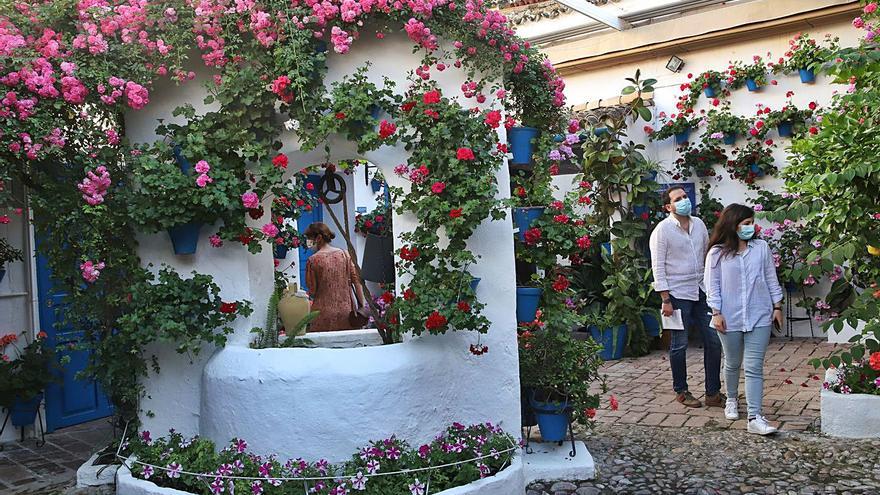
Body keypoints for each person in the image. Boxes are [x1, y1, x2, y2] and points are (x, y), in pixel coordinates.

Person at [705, 204, 783, 435]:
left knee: (754, 367)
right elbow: (712, 285)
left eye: (752, 223)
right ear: (733, 225)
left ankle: (755, 416)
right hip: (729, 318)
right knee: (732, 362)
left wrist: (777, 306)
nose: (752, 227)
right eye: (746, 223)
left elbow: (771, 277)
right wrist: (716, 312)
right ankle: (730, 398)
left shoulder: (761, 248)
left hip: (759, 315)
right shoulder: (717, 253)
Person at [649, 186, 724, 408]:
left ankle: (713, 393)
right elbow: (658, 267)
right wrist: (665, 299)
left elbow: (707, 257)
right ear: (668, 207)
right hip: (676, 293)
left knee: (713, 339)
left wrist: (714, 287)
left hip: (701, 289)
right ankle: (681, 390)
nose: (684, 201)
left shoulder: (698, 224)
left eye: (685, 197)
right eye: (678, 199)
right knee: (679, 344)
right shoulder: (662, 231)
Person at [304, 222, 366, 332]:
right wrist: (362, 306)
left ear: (318, 238)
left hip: (321, 313)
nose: (308, 242)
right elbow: (356, 281)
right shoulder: (345, 255)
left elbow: (312, 290)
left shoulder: (313, 260)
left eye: (309, 238)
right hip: (347, 311)